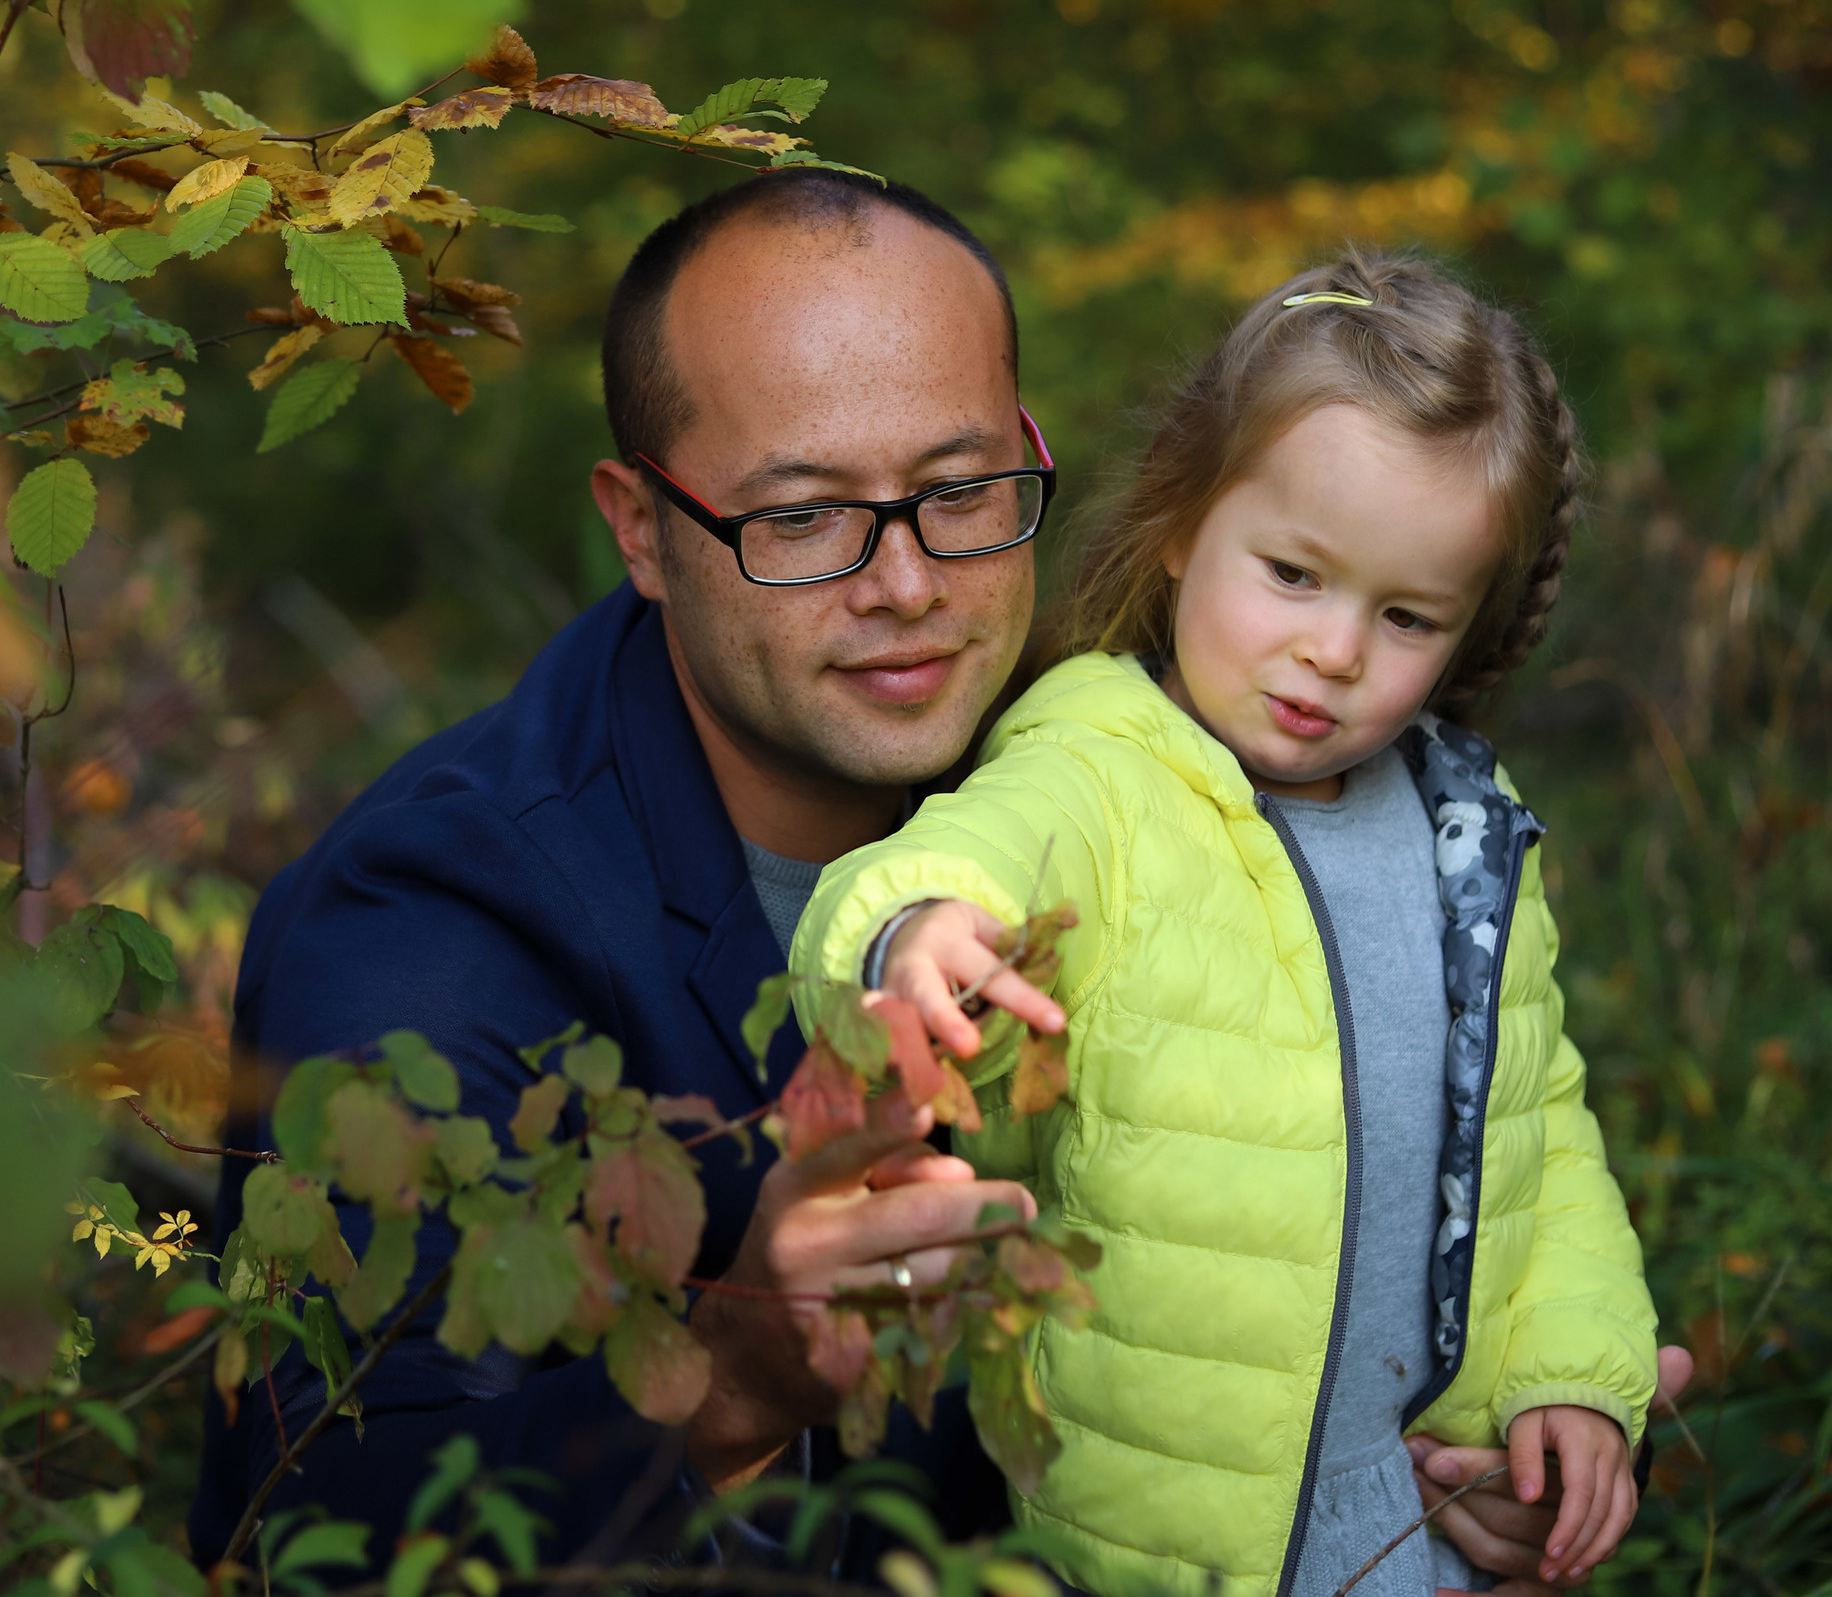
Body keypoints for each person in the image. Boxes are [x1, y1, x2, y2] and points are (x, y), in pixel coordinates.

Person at [190, 173, 1678, 1587]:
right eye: (801, 516)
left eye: (961, 489)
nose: (905, 583)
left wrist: (1477, 1454)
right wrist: (731, 1380)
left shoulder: (1133, 763)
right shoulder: (425, 938)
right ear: (643, 527)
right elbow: (327, 1527)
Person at [792, 251, 1659, 1597]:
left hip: (1420, 1519)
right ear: (1189, 523)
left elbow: (1542, 1139)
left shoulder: (1463, 832)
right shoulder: (1098, 763)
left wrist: (1578, 1376)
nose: (1336, 651)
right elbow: (964, 854)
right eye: (1295, 575)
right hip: (1159, 1538)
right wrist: (921, 935)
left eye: (1407, 614)